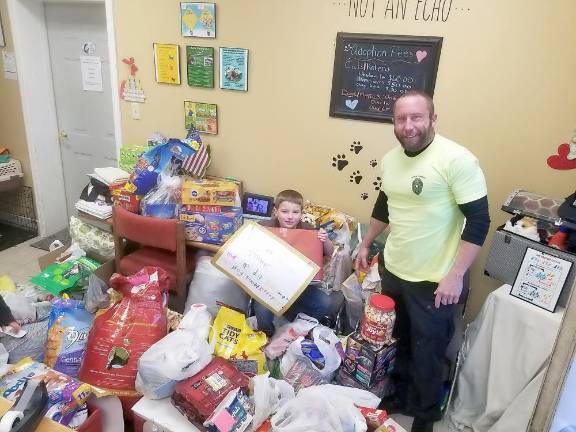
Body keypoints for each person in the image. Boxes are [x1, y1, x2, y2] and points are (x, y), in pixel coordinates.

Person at [355, 91, 490, 432]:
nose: (409, 125)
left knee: (429, 352)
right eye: (401, 119)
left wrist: (456, 275)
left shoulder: (457, 160)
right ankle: (397, 397)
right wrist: (367, 243)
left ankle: (425, 416)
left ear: (432, 118)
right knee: (396, 339)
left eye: (416, 117)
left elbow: (478, 221)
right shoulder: (390, 160)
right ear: (393, 123)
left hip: (436, 278)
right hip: (395, 268)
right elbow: (384, 206)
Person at [254, 189, 336, 336]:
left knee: (324, 303)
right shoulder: (264, 227)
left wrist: (325, 240)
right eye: (285, 211)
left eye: (295, 212)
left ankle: (296, 327)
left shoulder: (308, 230)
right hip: (269, 283)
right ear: (275, 211)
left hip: (298, 285)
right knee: (262, 310)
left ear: (301, 213)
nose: (290, 217)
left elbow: (329, 252)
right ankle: (267, 335)